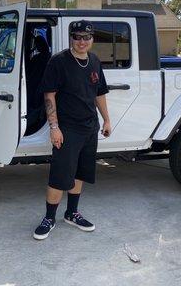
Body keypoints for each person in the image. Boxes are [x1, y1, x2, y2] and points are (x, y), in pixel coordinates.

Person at [33, 20, 111, 240]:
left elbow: (99, 93)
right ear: (71, 38)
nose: (82, 41)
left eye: (87, 37)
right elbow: (50, 96)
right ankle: (49, 217)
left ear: (92, 39)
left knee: (81, 172)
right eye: (77, 37)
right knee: (60, 175)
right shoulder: (59, 62)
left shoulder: (95, 61)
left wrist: (106, 120)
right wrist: (54, 127)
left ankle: (71, 213)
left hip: (89, 127)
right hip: (67, 130)